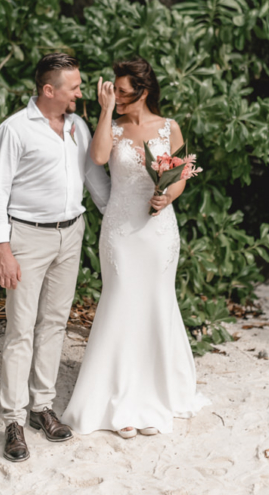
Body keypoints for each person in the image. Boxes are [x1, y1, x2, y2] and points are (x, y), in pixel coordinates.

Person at [61, 57, 209, 438]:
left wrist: (168, 197)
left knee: (157, 302)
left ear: (143, 92)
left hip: (159, 233)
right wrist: (107, 110)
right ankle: (121, 399)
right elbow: (96, 158)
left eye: (123, 93)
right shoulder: (111, 126)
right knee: (122, 301)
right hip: (121, 231)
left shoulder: (169, 128)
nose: (117, 97)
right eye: (115, 91)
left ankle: (156, 394)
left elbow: (179, 178)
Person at [0, 53, 111, 463]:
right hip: (27, 239)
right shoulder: (14, 130)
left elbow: (93, 179)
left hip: (71, 234)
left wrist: (120, 218)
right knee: (20, 330)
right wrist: (3, 250)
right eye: (74, 87)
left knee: (54, 323)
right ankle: (14, 420)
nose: (80, 92)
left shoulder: (78, 125)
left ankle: (41, 408)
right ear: (49, 90)